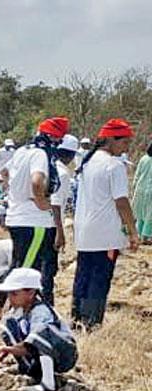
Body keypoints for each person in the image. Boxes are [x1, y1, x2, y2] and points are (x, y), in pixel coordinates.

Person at [73, 118, 140, 328]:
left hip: (84, 230)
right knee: (99, 278)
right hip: (105, 233)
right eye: (124, 143)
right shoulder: (114, 166)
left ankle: (77, 319)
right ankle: (92, 323)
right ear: (111, 139)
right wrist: (132, 231)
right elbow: (121, 202)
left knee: (83, 275)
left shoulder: (88, 162)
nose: (126, 147)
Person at [4, 117, 70, 307]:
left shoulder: (21, 151)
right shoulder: (40, 154)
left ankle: (2, 307)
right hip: (34, 220)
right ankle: (15, 309)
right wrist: (40, 201)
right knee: (26, 271)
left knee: (18, 264)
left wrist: (17, 194)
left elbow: (5, 172)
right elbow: (37, 181)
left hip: (16, 216)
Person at [0, 268, 77, 391]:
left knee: (41, 332)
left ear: (31, 293)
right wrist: (0, 355)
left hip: (62, 354)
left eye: (14, 294)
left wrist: (5, 349)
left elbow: (32, 344)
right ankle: (30, 370)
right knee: (8, 324)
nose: (10, 298)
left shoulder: (41, 312)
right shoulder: (19, 311)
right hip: (38, 352)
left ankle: (48, 383)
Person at [133, 138, 152, 242]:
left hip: (140, 189)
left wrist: (134, 186)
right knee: (150, 214)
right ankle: (147, 236)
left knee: (140, 213)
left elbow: (137, 174)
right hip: (150, 191)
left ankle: (139, 234)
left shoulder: (143, 158)